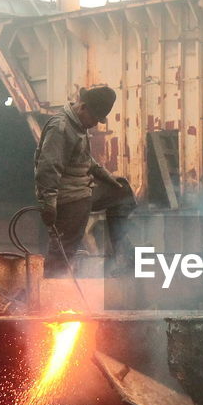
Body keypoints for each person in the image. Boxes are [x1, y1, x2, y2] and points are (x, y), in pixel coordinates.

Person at [34, 85, 136, 277]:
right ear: (83, 107)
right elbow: (48, 168)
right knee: (64, 249)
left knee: (122, 191)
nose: (95, 124)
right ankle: (50, 290)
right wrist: (48, 203)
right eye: (95, 119)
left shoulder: (78, 125)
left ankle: (122, 255)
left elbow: (83, 159)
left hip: (83, 188)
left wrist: (106, 177)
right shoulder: (61, 128)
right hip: (69, 196)